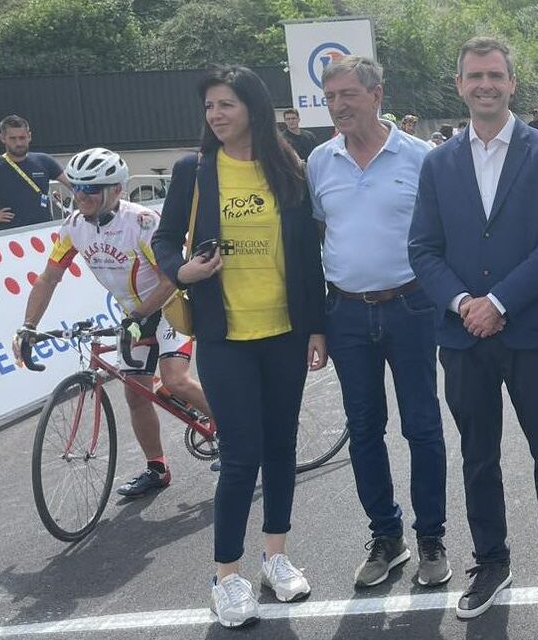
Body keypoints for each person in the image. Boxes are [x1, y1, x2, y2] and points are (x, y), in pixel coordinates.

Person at [408, 36, 538, 621]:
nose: (485, 84)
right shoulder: (437, 163)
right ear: (459, 85)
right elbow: (423, 249)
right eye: (475, 76)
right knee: (477, 456)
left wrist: (501, 302)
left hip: (534, 333)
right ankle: (491, 561)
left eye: (495, 75)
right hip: (464, 336)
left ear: (512, 83)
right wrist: (465, 303)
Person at [152, 65, 327, 629]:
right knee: (240, 453)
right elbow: (163, 238)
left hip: (285, 332)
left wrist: (316, 326)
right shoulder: (195, 170)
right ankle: (226, 576)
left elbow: (307, 256)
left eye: (226, 104)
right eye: (209, 107)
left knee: (280, 447)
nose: (216, 115)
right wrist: (182, 271)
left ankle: (275, 557)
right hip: (224, 336)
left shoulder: (289, 168)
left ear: (253, 107)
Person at [306, 55, 452, 592]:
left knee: (422, 426)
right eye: (330, 98)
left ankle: (431, 537)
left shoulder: (420, 157)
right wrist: (315, 323)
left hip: (411, 307)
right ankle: (387, 537)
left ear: (376, 95)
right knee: (364, 429)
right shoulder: (319, 161)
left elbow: (442, 237)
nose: (338, 106)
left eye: (348, 94)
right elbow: (315, 241)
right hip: (345, 312)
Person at [13, 147, 212, 498]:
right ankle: (157, 468)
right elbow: (48, 277)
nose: (80, 195)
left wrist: (140, 315)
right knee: (136, 396)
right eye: (77, 187)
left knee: (175, 380)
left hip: (168, 308)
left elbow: (170, 278)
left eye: (91, 188)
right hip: (133, 315)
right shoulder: (74, 226)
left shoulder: (142, 223)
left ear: (117, 189)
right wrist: (28, 326)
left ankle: (237, 436)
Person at [0, 115, 70, 231]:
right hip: (9, 235)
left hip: (45, 231)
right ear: (3, 138)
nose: (18, 143)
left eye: (22, 137)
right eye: (13, 138)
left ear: (29, 136)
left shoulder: (45, 161)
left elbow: (73, 185)